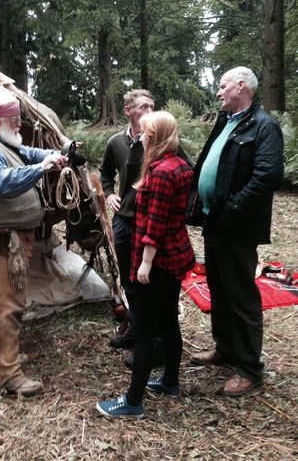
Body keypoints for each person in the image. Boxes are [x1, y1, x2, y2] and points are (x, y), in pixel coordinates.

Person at [188, 66, 284, 397]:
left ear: (241, 86)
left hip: (238, 226)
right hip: (214, 222)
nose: (218, 92)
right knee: (218, 287)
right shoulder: (226, 121)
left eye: (223, 86)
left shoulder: (264, 126)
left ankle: (249, 369)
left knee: (241, 295)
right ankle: (225, 348)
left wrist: (233, 208)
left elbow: (268, 175)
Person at [0, 91, 67, 397]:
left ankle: (2, 359)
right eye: (14, 120)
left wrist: (55, 153)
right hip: (3, 241)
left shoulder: (3, 143)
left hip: (12, 238)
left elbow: (29, 153)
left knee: (4, 301)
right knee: (6, 305)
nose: (19, 125)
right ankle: (6, 374)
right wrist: (40, 169)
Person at [97, 111, 195, 418]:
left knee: (144, 330)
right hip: (175, 257)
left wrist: (145, 265)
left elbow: (155, 226)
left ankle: (133, 401)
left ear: (157, 136)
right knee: (168, 322)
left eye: (146, 133)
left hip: (160, 262)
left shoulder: (163, 172)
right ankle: (169, 382)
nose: (141, 137)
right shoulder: (176, 164)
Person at [99, 89, 155, 350]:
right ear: (128, 111)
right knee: (128, 276)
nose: (149, 112)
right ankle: (134, 325)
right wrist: (109, 194)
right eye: (144, 107)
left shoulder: (160, 140)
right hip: (124, 219)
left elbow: (186, 171)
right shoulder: (115, 142)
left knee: (149, 277)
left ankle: (150, 335)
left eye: (152, 107)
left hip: (150, 222)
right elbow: (105, 172)